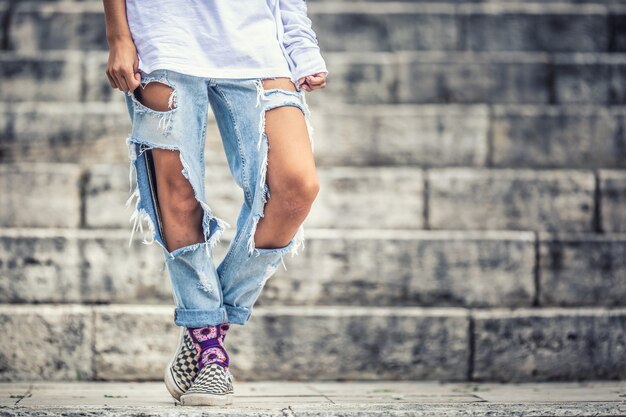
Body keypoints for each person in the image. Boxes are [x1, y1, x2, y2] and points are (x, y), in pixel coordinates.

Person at [102, 0, 328, 407]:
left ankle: (206, 321)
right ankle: (208, 345)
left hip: (257, 39)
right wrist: (119, 36)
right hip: (162, 33)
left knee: (296, 187)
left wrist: (301, 44)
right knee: (178, 196)